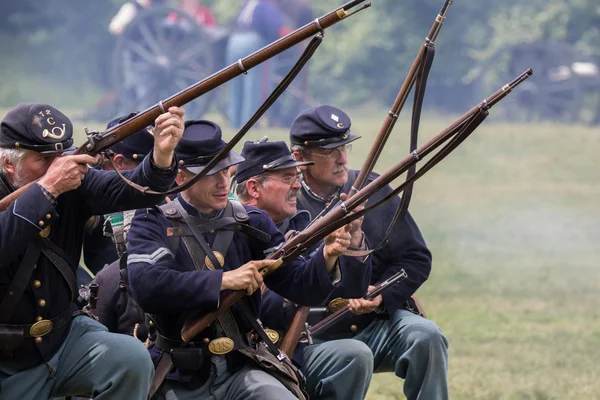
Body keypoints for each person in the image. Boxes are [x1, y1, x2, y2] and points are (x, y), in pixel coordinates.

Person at [126, 119, 369, 399]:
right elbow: (148, 287)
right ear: (181, 177)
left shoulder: (252, 222)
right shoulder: (151, 221)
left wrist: (327, 256)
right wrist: (224, 280)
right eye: (210, 174)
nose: (222, 182)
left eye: (226, 171)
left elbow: (299, 285)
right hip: (178, 372)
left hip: (241, 364)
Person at [0, 102, 184, 399]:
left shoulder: (73, 184)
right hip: (6, 359)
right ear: (10, 164)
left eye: (60, 155)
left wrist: (161, 156)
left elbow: (134, 188)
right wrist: (46, 189)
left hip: (63, 337)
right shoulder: (57, 181)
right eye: (44, 159)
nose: (58, 165)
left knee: (132, 359)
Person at [289, 105, 450, 400]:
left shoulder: (370, 189)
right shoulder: (285, 200)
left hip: (371, 323)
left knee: (427, 337)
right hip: (310, 335)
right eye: (329, 151)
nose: (342, 159)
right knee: (354, 355)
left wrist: (381, 295)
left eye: (344, 147)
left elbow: (414, 258)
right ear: (300, 157)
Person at [233, 138, 374, 400]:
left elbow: (351, 291)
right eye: (288, 177)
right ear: (254, 188)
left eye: (297, 176)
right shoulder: (226, 231)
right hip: (237, 355)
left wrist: (352, 239)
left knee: (355, 355)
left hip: (290, 353)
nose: (297, 185)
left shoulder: (300, 231)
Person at [226, 0, 292, 128]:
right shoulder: (266, 5)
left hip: (234, 42)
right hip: (253, 43)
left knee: (235, 86)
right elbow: (278, 29)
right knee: (254, 86)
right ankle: (249, 124)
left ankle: (234, 122)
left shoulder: (247, 3)